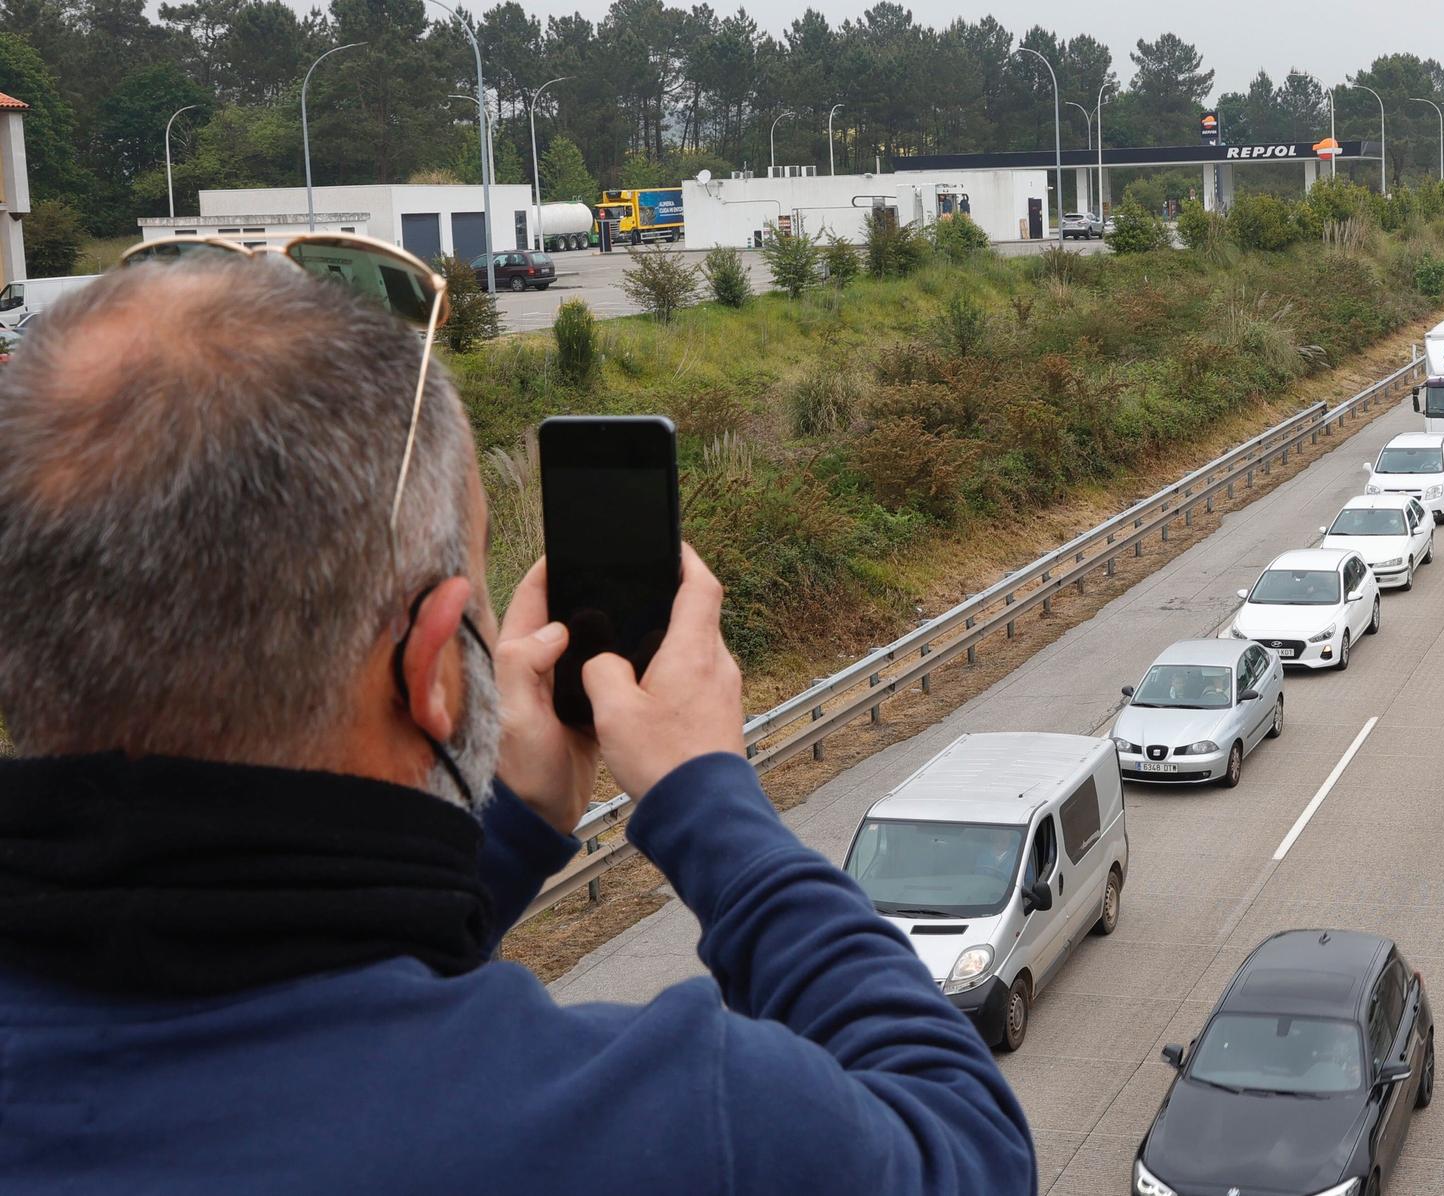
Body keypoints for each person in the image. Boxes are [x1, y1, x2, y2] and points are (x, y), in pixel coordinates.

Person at [0, 260, 1035, 1194]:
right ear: (430, 664)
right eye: (484, 606)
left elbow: (285, 964)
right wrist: (708, 797)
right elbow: (965, 1141)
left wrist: (515, 823)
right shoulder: (687, 1129)